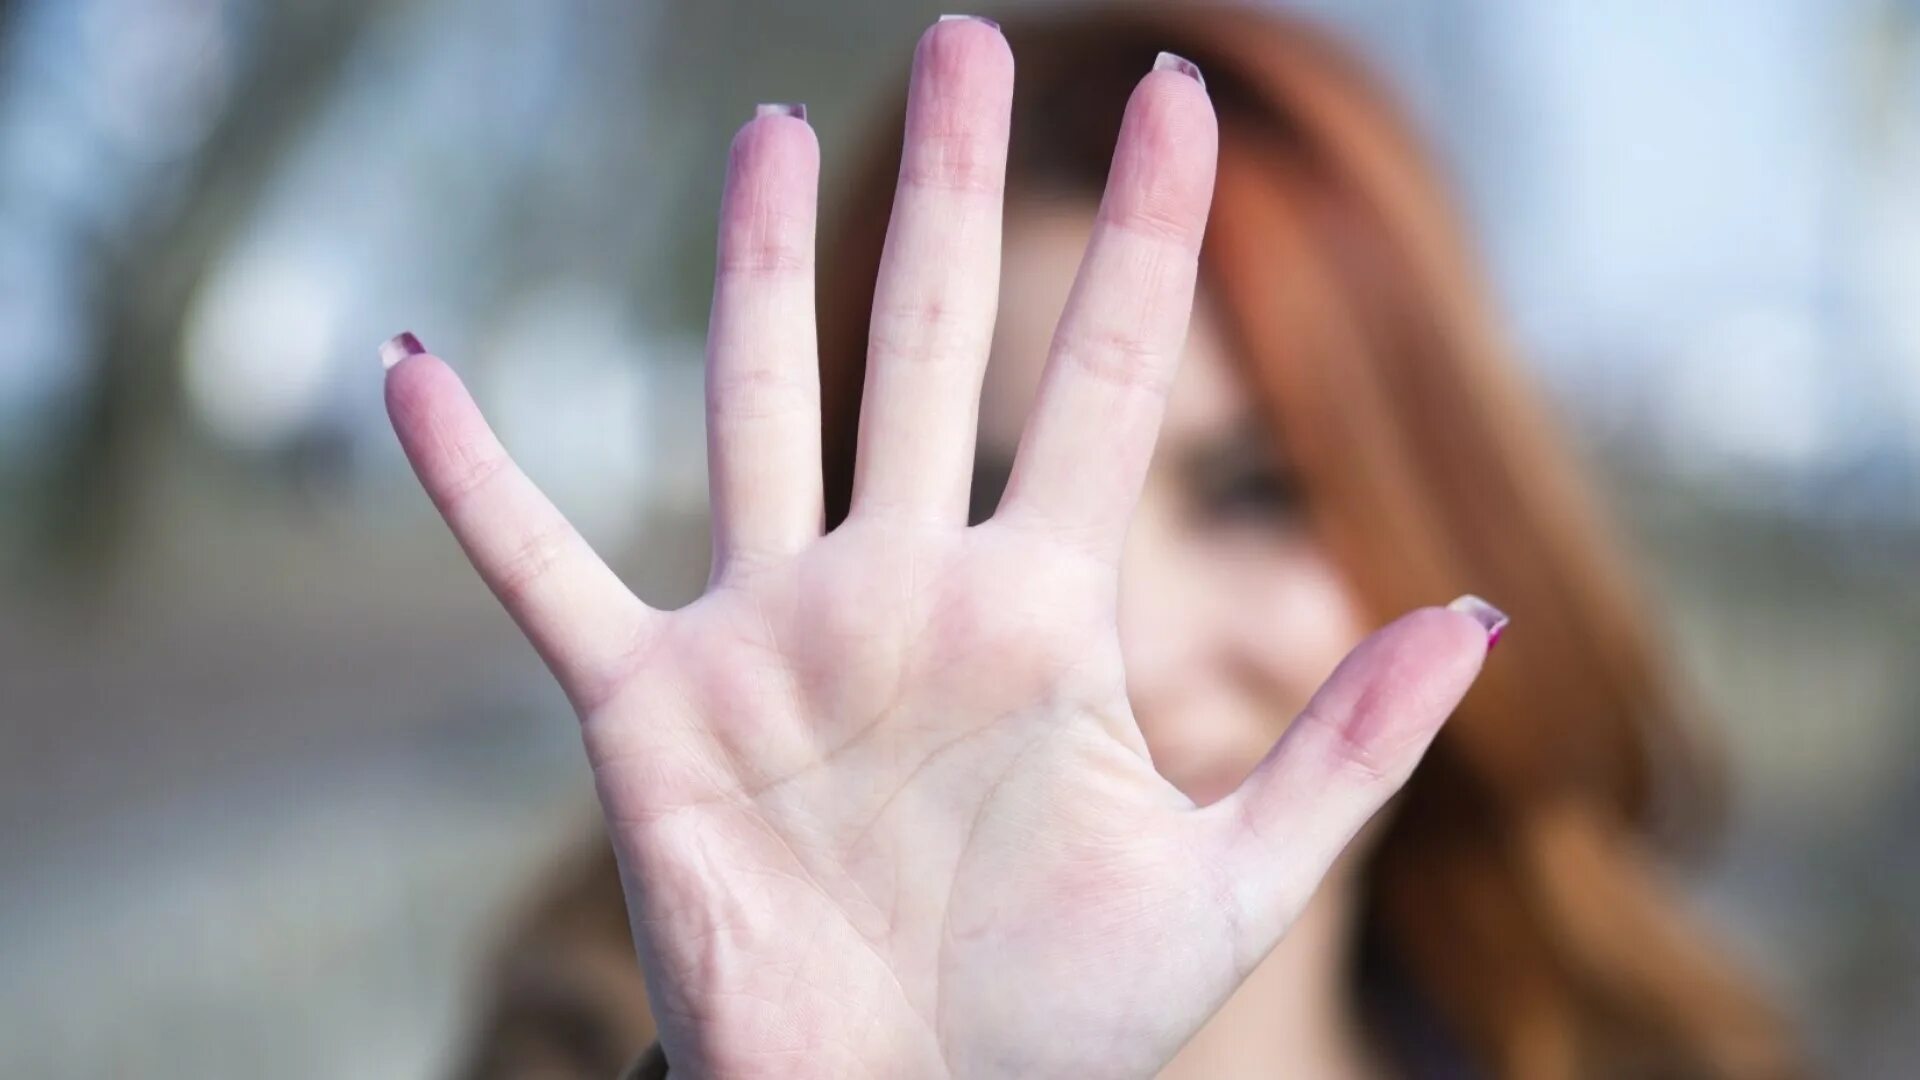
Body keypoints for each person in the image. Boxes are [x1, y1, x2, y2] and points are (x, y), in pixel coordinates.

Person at [385, 8, 1801, 1078]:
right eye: (989, 502)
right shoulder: (592, 1039)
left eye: (1258, 493)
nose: (1117, 639)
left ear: (1441, 507)